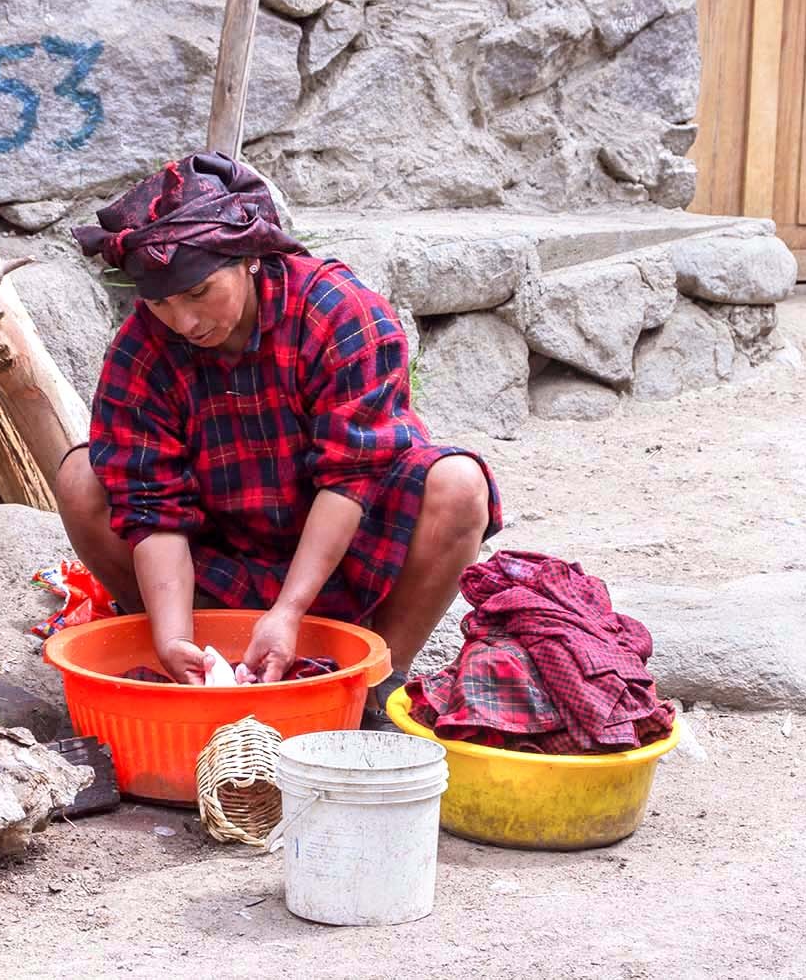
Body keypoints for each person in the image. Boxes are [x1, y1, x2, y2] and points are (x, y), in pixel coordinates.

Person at [53, 152, 501, 716]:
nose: (184, 322)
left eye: (199, 293)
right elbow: (152, 505)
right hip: (223, 558)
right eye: (161, 302)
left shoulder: (338, 312)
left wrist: (289, 611)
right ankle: (204, 655)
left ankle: (372, 682)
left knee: (459, 485)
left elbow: (352, 476)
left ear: (250, 259)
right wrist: (171, 637)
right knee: (81, 477)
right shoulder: (142, 350)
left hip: (349, 547)